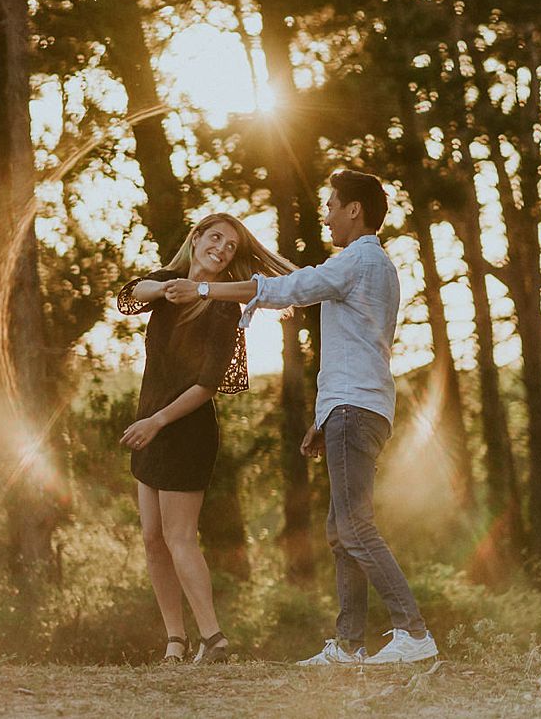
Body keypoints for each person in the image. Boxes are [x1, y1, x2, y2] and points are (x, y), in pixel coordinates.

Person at [161, 169, 437, 666]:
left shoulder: (359, 259)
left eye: (331, 205)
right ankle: (350, 645)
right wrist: (325, 417)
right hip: (353, 407)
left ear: (354, 209)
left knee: (355, 528)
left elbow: (291, 289)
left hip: (356, 408)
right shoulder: (373, 266)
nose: (326, 215)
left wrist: (204, 292)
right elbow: (359, 347)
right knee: (341, 530)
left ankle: (412, 632)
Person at [115, 213, 293, 664]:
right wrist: (168, 288)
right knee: (152, 538)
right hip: (148, 426)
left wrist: (156, 422)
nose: (222, 249)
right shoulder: (166, 284)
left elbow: (207, 384)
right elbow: (129, 295)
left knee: (179, 537)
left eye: (231, 246)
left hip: (183, 430)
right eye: (215, 238)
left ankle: (213, 640)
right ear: (195, 239)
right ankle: (175, 640)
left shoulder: (222, 307)